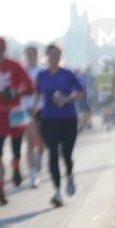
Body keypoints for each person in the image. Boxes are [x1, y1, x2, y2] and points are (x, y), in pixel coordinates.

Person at [0, 37, 34, 205]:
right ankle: (0, 184)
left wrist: (17, 92)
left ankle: (16, 167)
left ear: (4, 50)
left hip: (14, 112)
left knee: (16, 148)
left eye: (0, 50)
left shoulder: (15, 65)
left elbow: (30, 86)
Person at [33, 44, 85, 207]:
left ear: (60, 56)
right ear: (47, 56)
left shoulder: (67, 74)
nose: (54, 57)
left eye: (57, 54)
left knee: (67, 154)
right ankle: (56, 191)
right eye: (51, 55)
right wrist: (33, 111)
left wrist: (67, 99)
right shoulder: (42, 75)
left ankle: (69, 174)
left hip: (68, 118)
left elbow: (81, 92)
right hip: (49, 119)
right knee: (53, 153)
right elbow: (38, 93)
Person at [22, 46, 46, 188]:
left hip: (42, 109)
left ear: (37, 55)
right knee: (30, 142)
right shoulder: (22, 71)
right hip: (26, 109)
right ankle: (32, 175)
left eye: (32, 54)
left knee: (41, 141)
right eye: (27, 54)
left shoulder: (43, 71)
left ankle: (39, 156)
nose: (30, 56)